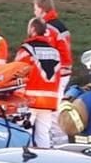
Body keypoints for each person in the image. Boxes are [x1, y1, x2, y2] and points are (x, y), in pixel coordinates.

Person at [18, 17, 69, 149]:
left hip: (30, 100)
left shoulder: (26, 50)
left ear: (33, 29)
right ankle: (43, 161)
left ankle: (24, 162)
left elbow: (18, 73)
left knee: (25, 132)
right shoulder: (55, 53)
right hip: (49, 101)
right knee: (43, 134)